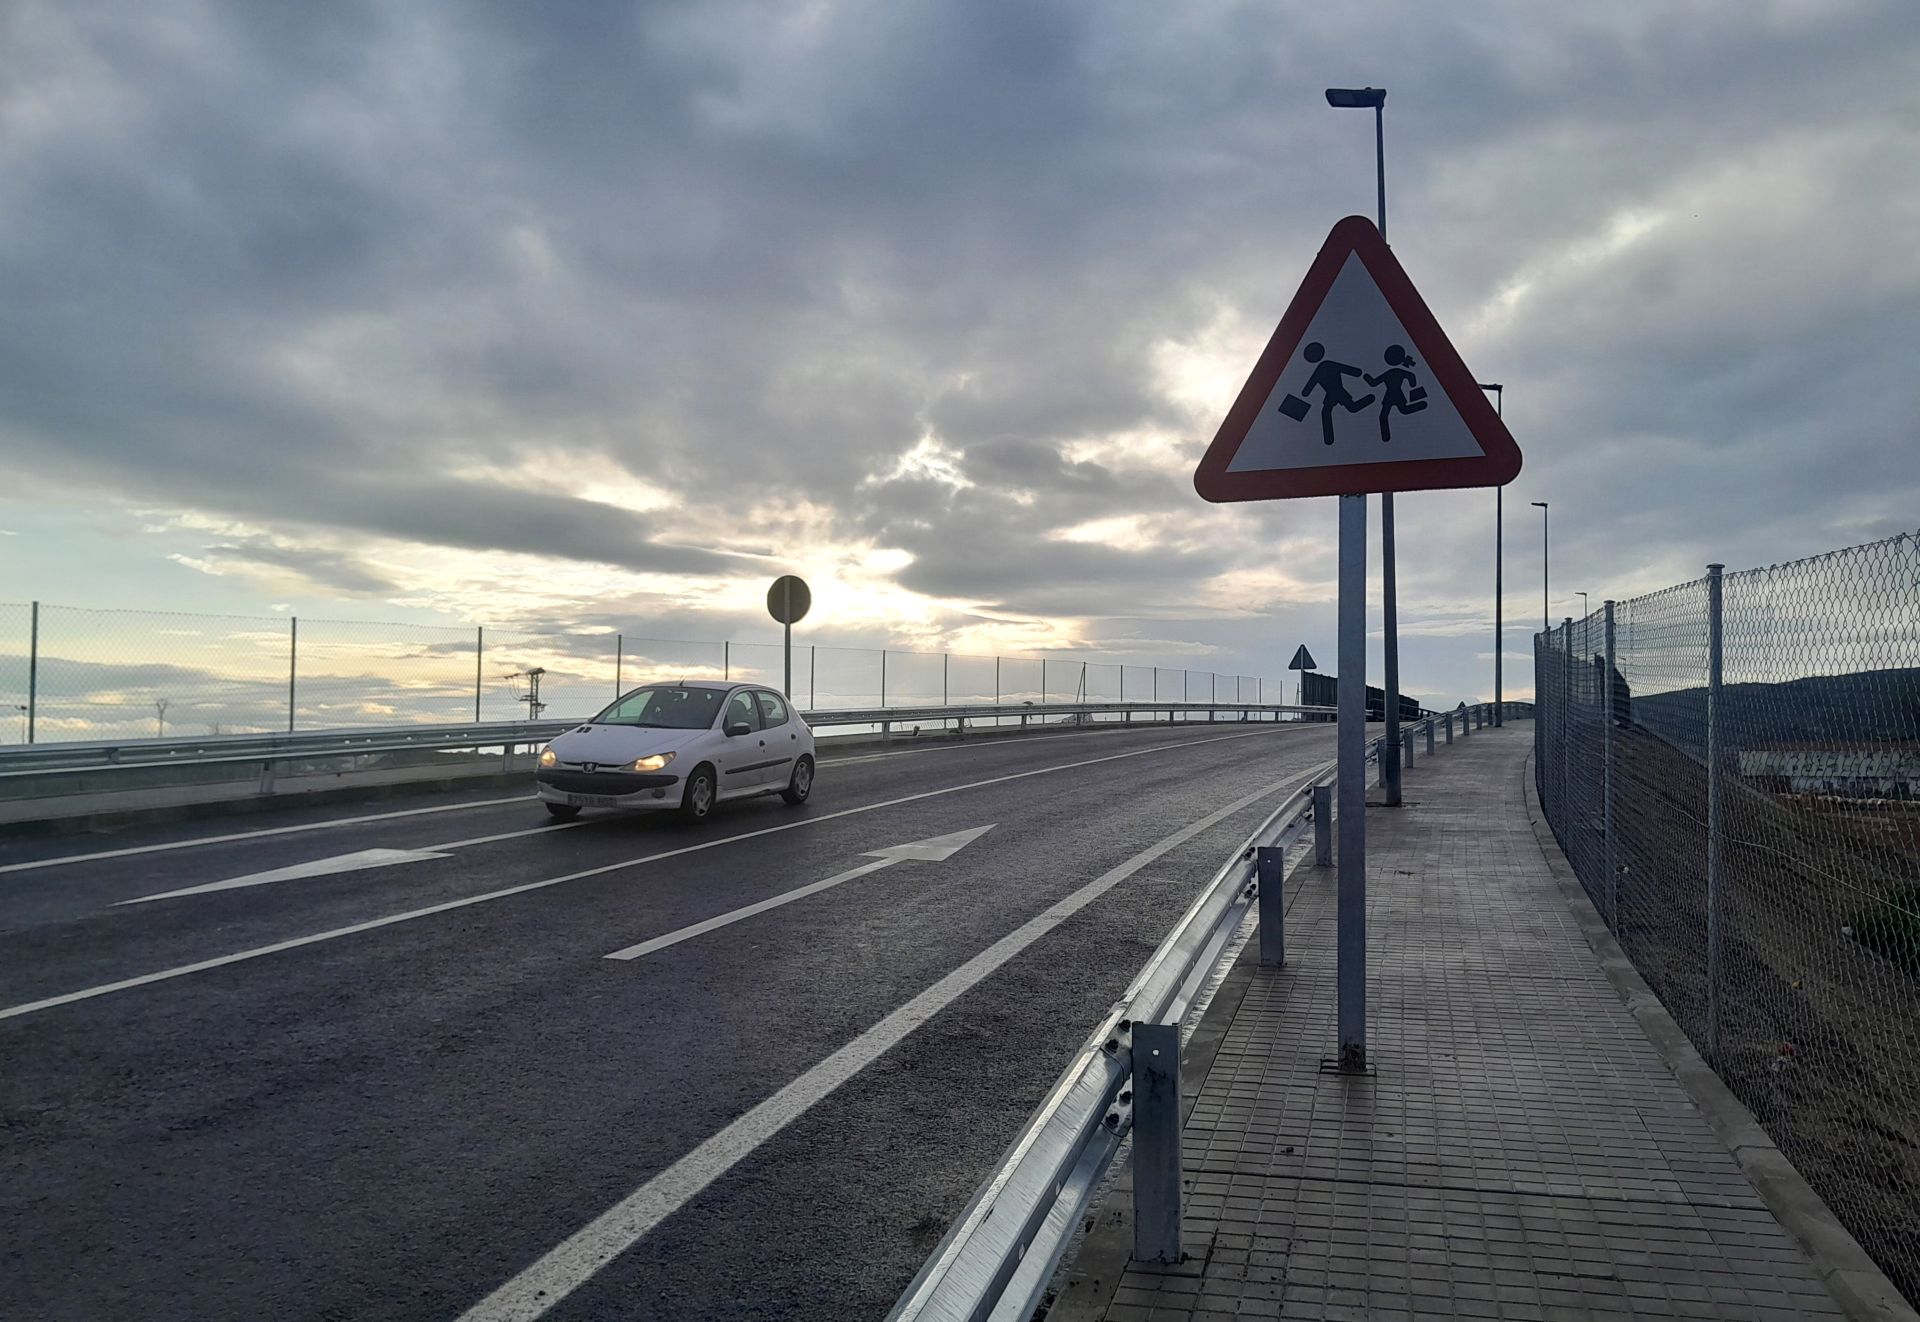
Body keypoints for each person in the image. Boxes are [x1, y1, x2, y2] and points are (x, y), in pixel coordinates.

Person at [1297, 342, 1375, 446]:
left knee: (1347, 409)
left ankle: (1370, 398)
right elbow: (1308, 388)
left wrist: (1357, 372)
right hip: (1332, 394)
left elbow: (1307, 389)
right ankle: (1328, 440)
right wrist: (1357, 372)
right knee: (1329, 411)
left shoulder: (1324, 367)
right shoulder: (1325, 366)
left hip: (1338, 391)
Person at [1365, 344, 1428, 443]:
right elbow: (1411, 376)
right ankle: (1385, 438)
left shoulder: (1391, 373)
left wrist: (1367, 377)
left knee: (1385, 415)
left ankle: (1422, 405)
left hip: (1392, 395)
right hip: (1394, 395)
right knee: (1400, 411)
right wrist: (1412, 384)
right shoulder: (1397, 372)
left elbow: (1374, 383)